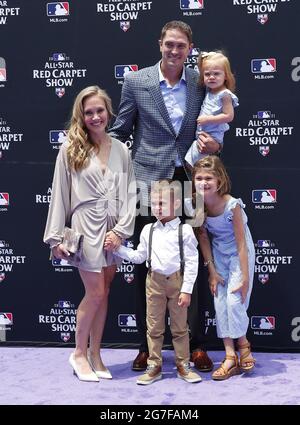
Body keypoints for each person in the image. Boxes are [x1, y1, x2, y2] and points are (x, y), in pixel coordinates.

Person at [109, 20, 220, 372]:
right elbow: (121, 130)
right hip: (147, 184)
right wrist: (88, 144)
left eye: (181, 46)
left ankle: (197, 344)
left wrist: (215, 145)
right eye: (169, 44)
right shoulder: (136, 81)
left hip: (188, 180)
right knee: (149, 262)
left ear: (190, 49)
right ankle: (146, 344)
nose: (174, 51)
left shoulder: (201, 85)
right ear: (160, 44)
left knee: (191, 261)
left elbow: (212, 132)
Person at [44, 86, 136, 382]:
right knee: (95, 291)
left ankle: (96, 353)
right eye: (88, 112)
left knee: (104, 291)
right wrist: (56, 237)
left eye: (99, 110)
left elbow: (131, 192)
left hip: (113, 231)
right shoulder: (71, 148)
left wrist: (121, 231)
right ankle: (79, 353)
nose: (95, 117)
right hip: (86, 227)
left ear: (109, 112)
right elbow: (59, 193)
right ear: (81, 116)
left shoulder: (121, 149)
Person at [112, 180, 202, 385]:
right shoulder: (148, 230)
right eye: (153, 204)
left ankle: (183, 364)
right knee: (153, 327)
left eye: (161, 203)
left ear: (177, 203)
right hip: (153, 282)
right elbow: (138, 257)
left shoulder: (185, 231)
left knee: (180, 327)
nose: (157, 208)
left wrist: (187, 290)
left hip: (178, 283)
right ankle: (154, 365)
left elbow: (192, 261)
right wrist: (118, 249)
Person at [191, 156, 256, 380]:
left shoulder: (232, 204)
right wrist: (212, 272)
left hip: (240, 254)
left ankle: (244, 345)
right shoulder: (197, 206)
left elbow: (241, 243)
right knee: (220, 300)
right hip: (218, 255)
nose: (203, 182)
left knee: (234, 299)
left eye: (208, 178)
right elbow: (204, 239)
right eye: (199, 178)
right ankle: (230, 356)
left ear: (219, 180)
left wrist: (245, 277)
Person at [185, 51, 239, 167]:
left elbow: (229, 116)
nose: (212, 77)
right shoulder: (210, 91)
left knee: (195, 166)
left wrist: (208, 119)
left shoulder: (225, 94)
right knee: (192, 166)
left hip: (212, 136)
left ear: (226, 76)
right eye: (207, 74)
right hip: (202, 134)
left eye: (216, 74)